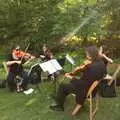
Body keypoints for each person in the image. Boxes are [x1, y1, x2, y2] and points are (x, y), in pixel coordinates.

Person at [50, 46, 107, 116]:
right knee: (69, 84)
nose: (86, 56)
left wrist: (72, 77)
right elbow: (103, 74)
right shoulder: (101, 63)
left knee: (62, 86)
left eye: (87, 54)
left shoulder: (91, 68)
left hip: (84, 90)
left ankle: (59, 106)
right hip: (94, 89)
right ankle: (62, 95)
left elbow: (82, 84)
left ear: (92, 55)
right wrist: (84, 69)